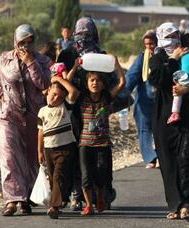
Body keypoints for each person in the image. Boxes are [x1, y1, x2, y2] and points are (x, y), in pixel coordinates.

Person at [0, 24, 51, 216]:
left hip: (35, 116)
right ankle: (12, 199)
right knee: (9, 157)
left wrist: (30, 62)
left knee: (31, 158)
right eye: (22, 42)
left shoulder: (43, 61)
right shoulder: (4, 59)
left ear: (34, 41)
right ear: (15, 41)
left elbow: (44, 84)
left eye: (30, 41)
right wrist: (0, 92)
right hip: (8, 116)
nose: (26, 46)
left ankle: (27, 199)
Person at [149, 22, 189, 220]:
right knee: (169, 162)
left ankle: (188, 202)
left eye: (176, 35)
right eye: (168, 36)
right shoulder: (158, 58)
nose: (173, 40)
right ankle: (176, 203)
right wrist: (171, 60)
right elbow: (157, 80)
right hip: (165, 118)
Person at [57, 17, 117, 210]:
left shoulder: (101, 55)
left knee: (101, 158)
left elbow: (112, 80)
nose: (84, 37)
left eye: (88, 33)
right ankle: (77, 193)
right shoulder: (67, 54)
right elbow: (60, 78)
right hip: (73, 110)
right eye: (80, 33)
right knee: (76, 153)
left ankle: (102, 193)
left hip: (97, 112)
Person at [74, 56, 125, 215]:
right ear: (87, 84)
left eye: (98, 80)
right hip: (85, 144)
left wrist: (117, 65)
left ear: (103, 84)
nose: (95, 83)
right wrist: (75, 67)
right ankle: (89, 205)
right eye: (91, 81)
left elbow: (122, 83)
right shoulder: (82, 98)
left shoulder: (106, 98)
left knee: (102, 174)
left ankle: (101, 198)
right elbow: (68, 85)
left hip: (103, 144)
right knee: (86, 176)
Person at [37, 76, 79, 219]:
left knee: (57, 176)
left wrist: (59, 80)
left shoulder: (65, 107)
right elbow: (41, 132)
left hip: (65, 147)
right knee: (52, 178)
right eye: (53, 94)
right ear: (48, 91)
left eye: (59, 97)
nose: (55, 99)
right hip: (49, 149)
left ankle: (54, 206)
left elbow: (73, 92)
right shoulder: (42, 111)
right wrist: (39, 151)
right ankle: (61, 200)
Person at [125, 29, 159, 169]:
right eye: (146, 44)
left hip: (161, 102)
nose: (149, 47)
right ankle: (150, 158)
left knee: (160, 131)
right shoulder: (141, 59)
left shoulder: (165, 58)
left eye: (152, 43)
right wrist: (122, 95)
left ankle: (161, 155)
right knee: (144, 130)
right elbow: (131, 78)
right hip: (143, 102)